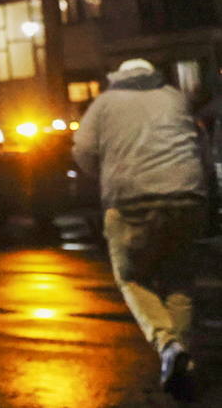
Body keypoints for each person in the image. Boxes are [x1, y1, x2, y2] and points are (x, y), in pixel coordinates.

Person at [73, 58, 209, 398]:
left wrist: (107, 174)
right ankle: (182, 359)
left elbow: (83, 151)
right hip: (187, 199)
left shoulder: (104, 104)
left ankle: (168, 346)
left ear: (118, 76)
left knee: (132, 277)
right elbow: (201, 149)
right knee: (179, 279)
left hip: (132, 202)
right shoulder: (175, 97)